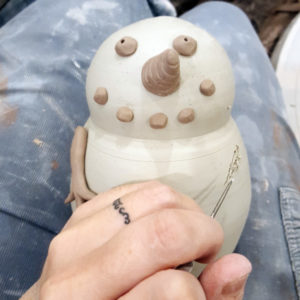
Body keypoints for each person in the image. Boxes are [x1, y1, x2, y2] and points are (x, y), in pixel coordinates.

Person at [0, 1, 299, 299]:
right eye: (124, 49)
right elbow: (81, 136)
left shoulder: (215, 124)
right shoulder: (104, 123)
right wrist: (78, 181)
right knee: (226, 16)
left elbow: (81, 135)